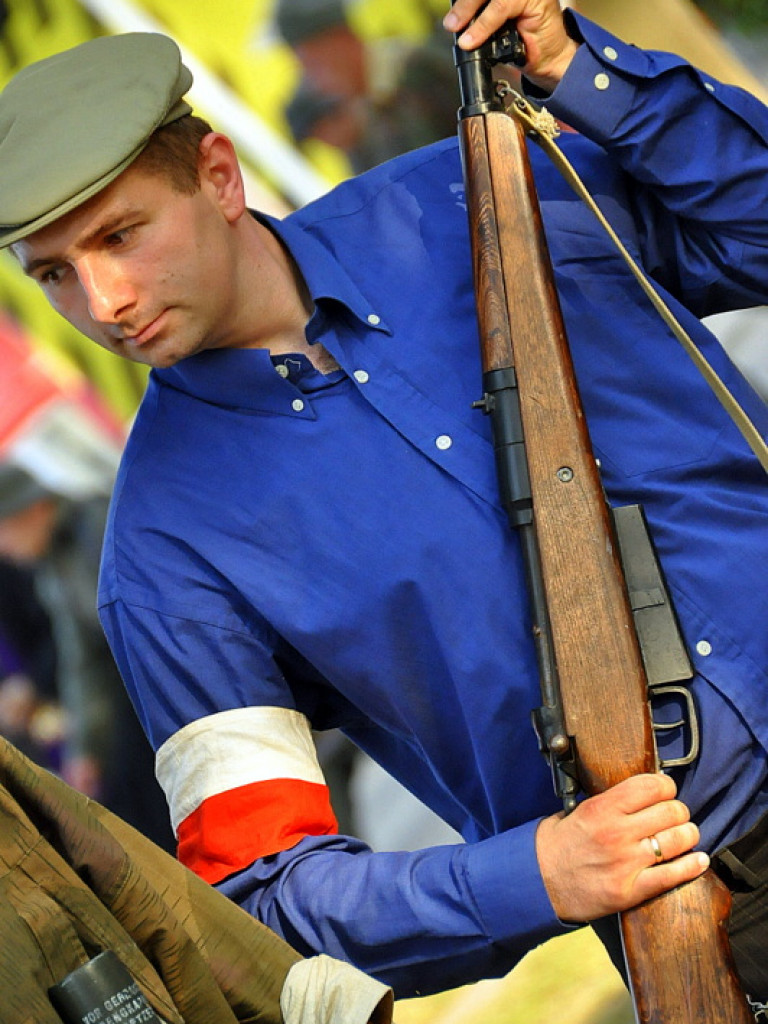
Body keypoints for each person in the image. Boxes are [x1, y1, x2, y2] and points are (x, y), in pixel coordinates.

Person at [0, 0, 767, 1009]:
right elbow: (266, 887)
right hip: (723, 906)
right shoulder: (162, 557)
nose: (102, 303)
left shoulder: (469, 192)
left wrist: (582, 70)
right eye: (53, 272)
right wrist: (537, 872)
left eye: (121, 236)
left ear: (220, 177)